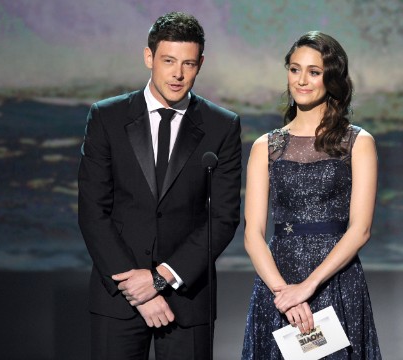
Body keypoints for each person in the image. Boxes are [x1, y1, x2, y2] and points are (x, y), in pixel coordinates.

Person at [77, 11, 242, 360]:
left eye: (189, 64)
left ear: (200, 64)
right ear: (149, 57)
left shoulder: (221, 126)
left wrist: (162, 278)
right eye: (168, 61)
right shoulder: (107, 117)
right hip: (118, 297)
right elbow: (93, 211)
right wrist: (139, 289)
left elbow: (224, 218)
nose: (178, 74)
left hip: (187, 298)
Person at [240, 31, 382, 359]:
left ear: (330, 79)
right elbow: (252, 234)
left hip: (335, 282)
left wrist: (307, 287)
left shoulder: (358, 142)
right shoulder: (266, 146)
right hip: (278, 284)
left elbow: (360, 229)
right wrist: (283, 293)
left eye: (314, 72)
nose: (302, 80)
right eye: (294, 69)